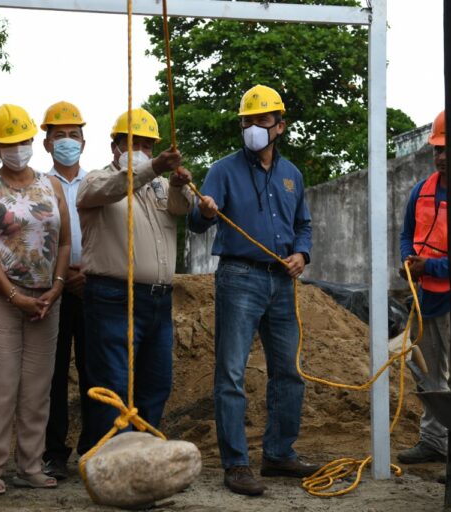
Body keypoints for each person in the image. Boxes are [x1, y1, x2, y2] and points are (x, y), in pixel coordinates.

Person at [187, 85, 319, 496]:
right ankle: (237, 464)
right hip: (239, 276)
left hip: (282, 281)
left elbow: (304, 225)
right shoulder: (223, 170)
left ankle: (279, 453)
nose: (252, 128)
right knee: (231, 370)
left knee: (288, 371)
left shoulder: (291, 174)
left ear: (280, 126)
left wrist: (302, 253)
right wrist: (205, 211)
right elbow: (196, 221)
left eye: (261, 121)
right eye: (247, 121)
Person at [0, 104, 71, 494]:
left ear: (32, 141)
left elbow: (63, 241)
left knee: (37, 386)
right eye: (9, 143)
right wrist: (13, 295)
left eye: (23, 141)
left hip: (46, 297)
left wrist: (57, 285)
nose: (18, 149)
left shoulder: (51, 185)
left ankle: (30, 464)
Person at [76, 108, 193, 451]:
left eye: (146, 144)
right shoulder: (96, 180)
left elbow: (181, 211)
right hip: (113, 297)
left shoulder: (158, 186)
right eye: (132, 143)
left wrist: (175, 184)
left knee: (156, 383)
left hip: (158, 300)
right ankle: (113, 462)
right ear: (115, 146)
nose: (139, 149)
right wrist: (153, 167)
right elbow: (114, 188)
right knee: (113, 385)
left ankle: (139, 458)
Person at [39, 101, 92, 480]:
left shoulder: (98, 183)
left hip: (92, 289)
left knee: (94, 373)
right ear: (46, 143)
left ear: (84, 142)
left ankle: (93, 448)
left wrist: (89, 271)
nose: (68, 142)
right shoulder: (39, 187)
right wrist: (58, 278)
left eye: (74, 135)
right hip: (50, 291)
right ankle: (53, 452)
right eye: (60, 136)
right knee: (51, 375)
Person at [397, 110, 450, 465]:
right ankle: (434, 440)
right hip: (424, 296)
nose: (442, 156)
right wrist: (408, 264)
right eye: (437, 149)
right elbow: (406, 236)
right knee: (429, 375)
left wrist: (427, 266)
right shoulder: (422, 191)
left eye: (448, 148)